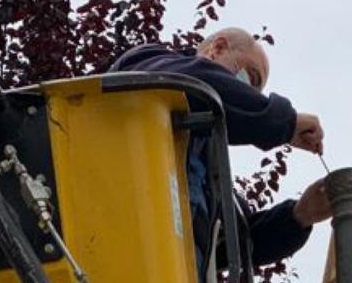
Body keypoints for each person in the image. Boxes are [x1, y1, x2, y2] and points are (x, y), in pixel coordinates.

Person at [109, 27, 332, 269]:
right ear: (218, 48)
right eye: (251, 78)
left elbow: (239, 242)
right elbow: (194, 84)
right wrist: (282, 122)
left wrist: (299, 216)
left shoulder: (207, 169)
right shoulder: (149, 63)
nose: (248, 94)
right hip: (115, 248)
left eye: (257, 91)